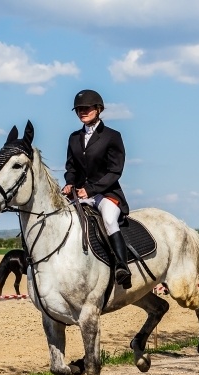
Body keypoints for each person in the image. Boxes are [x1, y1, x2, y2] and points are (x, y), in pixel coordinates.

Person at [62, 89, 131, 288]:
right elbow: (71, 168)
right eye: (79, 109)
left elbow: (115, 171)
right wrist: (69, 183)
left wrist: (91, 190)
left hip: (106, 193)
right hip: (80, 193)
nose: (82, 112)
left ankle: (122, 267)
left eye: (87, 108)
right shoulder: (73, 138)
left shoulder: (112, 136)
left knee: (109, 220)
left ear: (98, 109)